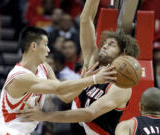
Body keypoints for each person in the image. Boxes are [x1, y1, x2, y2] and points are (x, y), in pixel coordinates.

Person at [17, 0, 140, 134]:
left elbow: (89, 113)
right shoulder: (93, 62)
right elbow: (85, 19)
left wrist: (44, 116)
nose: (104, 45)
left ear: (123, 54)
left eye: (111, 44)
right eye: (105, 42)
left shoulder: (121, 86)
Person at [0, 26, 116, 135]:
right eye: (45, 45)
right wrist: (93, 79)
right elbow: (58, 88)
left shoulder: (44, 67)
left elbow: (65, 96)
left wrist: (84, 80)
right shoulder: (20, 77)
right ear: (34, 46)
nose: (48, 50)